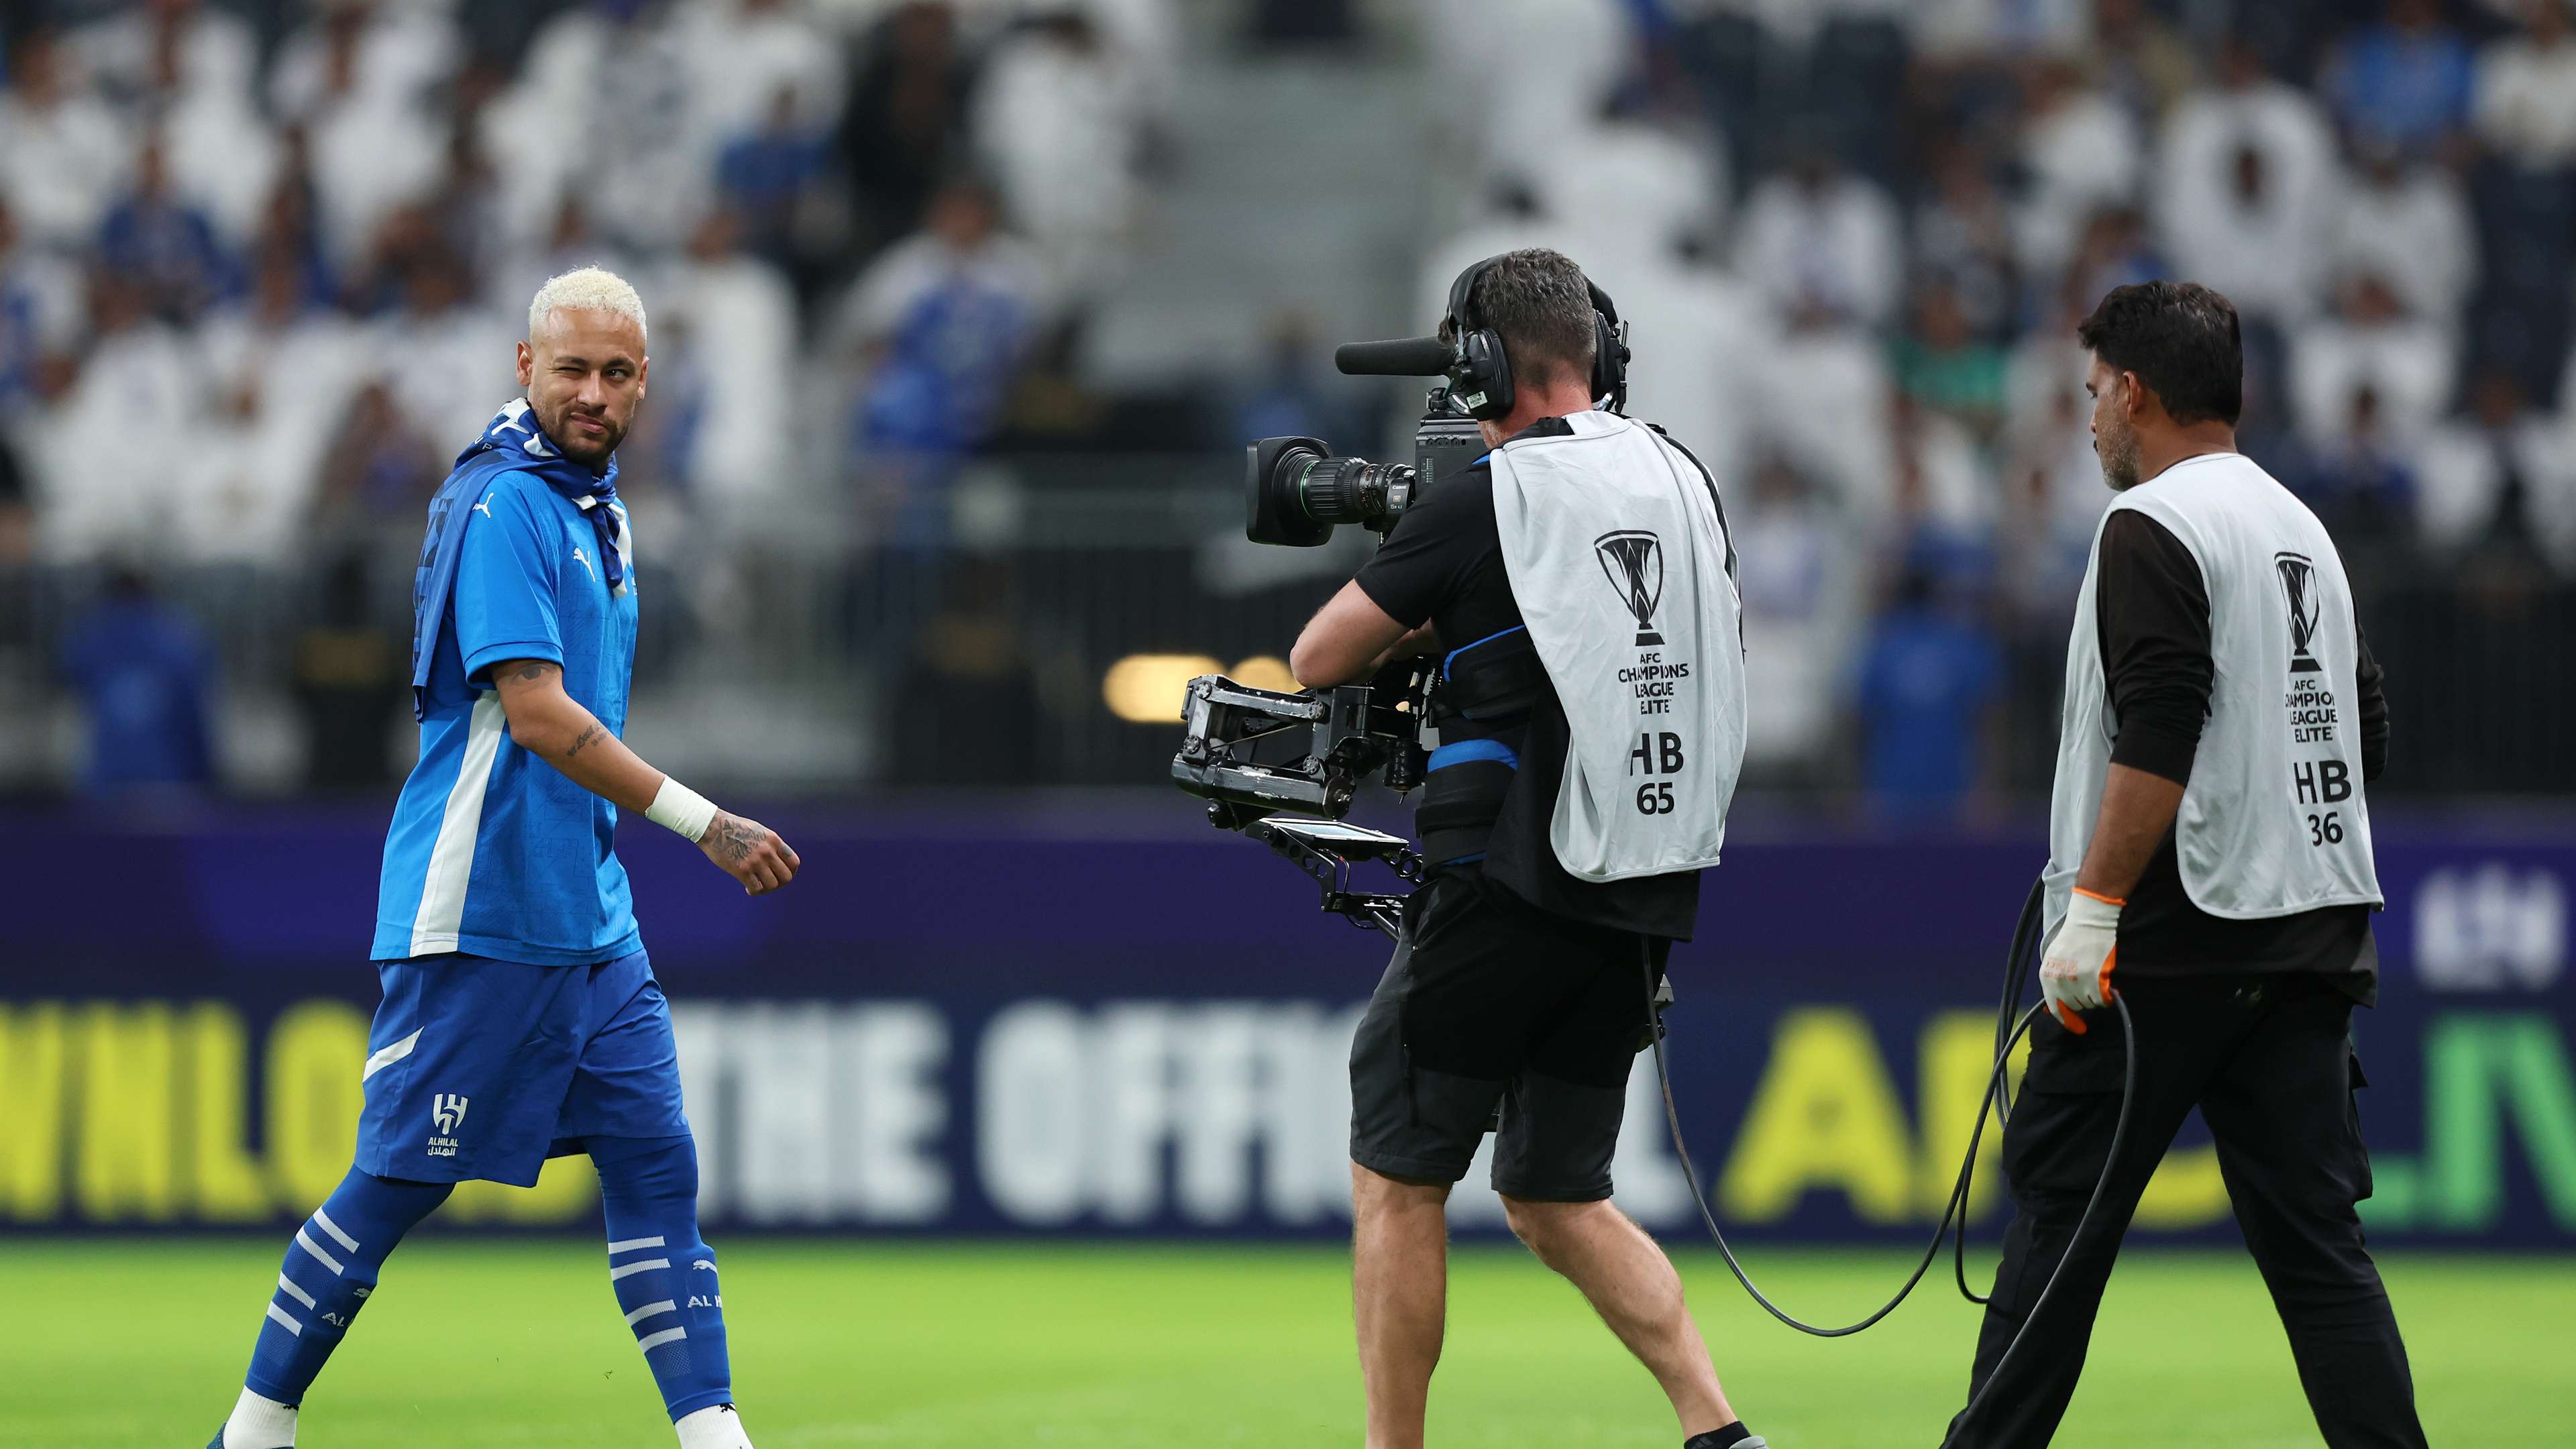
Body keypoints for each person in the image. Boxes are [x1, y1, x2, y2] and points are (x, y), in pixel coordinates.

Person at [205, 268, 800, 1449]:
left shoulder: (596, 508)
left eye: (616, 373)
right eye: (570, 368)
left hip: (588, 912)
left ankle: (715, 1438)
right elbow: (534, 713)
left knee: (656, 1164)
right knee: (397, 1182)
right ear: (523, 369)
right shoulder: (502, 506)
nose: (592, 391)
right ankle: (252, 1434)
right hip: (481, 901)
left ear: (643, 385)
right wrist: (705, 823)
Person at [1289, 248, 1760, 1449]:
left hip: (1512, 873)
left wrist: (1427, 592)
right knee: (1557, 1195)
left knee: (1398, 1176)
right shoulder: (1682, 475)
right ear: (1597, 347)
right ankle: (1719, 1433)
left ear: (1480, 364)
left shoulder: (1483, 498)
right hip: (1646, 882)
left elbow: (1320, 657)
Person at [1943, 281, 2424, 1447]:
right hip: (2306, 938)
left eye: (2095, 391)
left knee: (2057, 1244)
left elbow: (2162, 717)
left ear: (2137, 391)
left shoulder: (2149, 523)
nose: (2092, 417)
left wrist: (2097, 907)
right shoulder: (2299, 524)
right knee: (2321, 1264)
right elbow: (2364, 728)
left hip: (2164, 948)